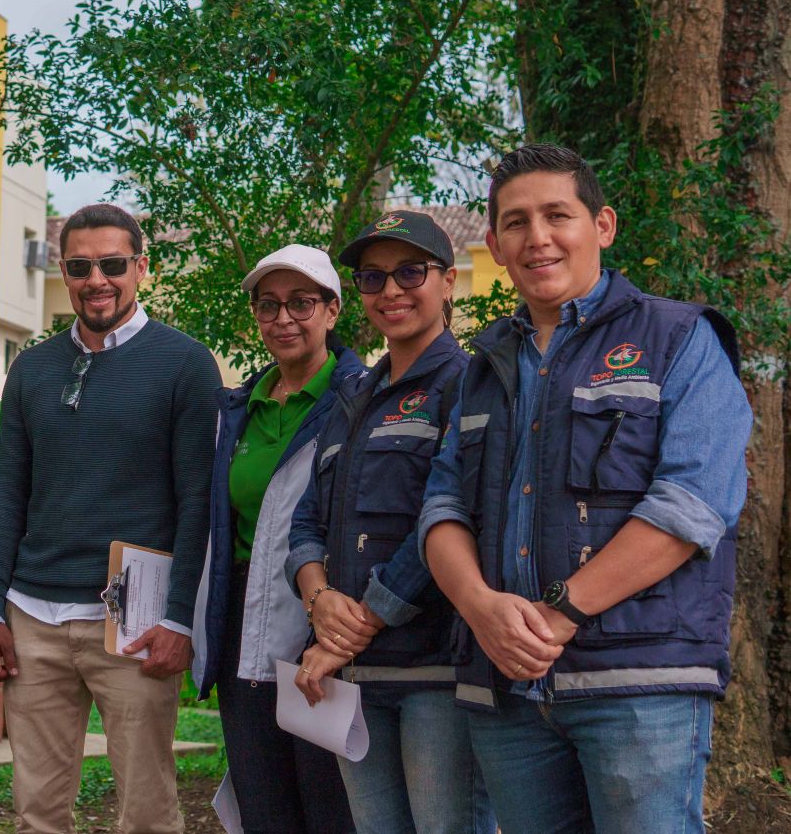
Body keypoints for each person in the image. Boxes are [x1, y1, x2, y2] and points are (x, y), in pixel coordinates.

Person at [418, 144, 752, 833]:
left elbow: (693, 504)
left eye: (556, 215)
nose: (537, 237)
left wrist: (561, 614)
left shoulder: (680, 337)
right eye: (516, 222)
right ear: (495, 245)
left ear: (602, 226)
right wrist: (480, 608)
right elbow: (443, 507)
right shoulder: (483, 367)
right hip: (507, 691)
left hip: (638, 684)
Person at [0, 203, 221, 834]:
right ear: (65, 270)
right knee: (36, 813)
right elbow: (6, 490)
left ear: (142, 266)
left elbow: (198, 501)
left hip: (133, 625)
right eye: (80, 266)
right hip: (34, 615)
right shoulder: (32, 366)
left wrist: (177, 617)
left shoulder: (185, 362)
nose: (96, 280)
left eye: (112, 264)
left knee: (146, 812)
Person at [287, 212, 493, 834]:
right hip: (354, 674)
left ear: (449, 281)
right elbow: (305, 521)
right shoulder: (352, 396)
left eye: (410, 272)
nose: (392, 291)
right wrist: (318, 598)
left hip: (434, 673)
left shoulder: (471, 385)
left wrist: (357, 622)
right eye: (373, 279)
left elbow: (452, 518)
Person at [190, 243, 361, 834]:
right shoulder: (238, 409)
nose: (283, 319)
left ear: (333, 311)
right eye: (269, 306)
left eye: (301, 303)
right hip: (243, 617)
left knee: (328, 801)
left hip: (329, 620)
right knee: (262, 799)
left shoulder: (360, 399)